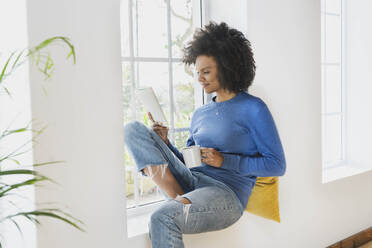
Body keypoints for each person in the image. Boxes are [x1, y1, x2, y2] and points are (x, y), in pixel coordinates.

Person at [123, 21, 286, 248]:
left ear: (228, 66)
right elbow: (188, 163)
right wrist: (166, 143)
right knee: (132, 130)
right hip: (192, 181)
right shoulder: (201, 113)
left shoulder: (253, 108)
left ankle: (179, 203)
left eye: (206, 72)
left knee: (161, 218)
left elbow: (277, 165)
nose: (200, 78)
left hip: (226, 194)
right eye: (198, 72)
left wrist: (224, 160)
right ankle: (179, 198)